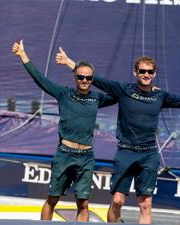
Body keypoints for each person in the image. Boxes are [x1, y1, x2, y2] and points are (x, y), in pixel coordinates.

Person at [56, 47, 180, 224]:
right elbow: (95, 79)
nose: (146, 74)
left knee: (145, 204)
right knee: (117, 201)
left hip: (148, 155)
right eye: (142, 71)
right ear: (135, 72)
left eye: (149, 72)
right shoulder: (123, 89)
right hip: (126, 152)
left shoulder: (160, 95)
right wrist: (69, 62)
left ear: (154, 73)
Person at [12, 40, 116, 222]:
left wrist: (70, 63)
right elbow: (40, 79)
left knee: (83, 204)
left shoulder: (97, 98)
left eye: (89, 78)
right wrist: (23, 55)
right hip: (65, 154)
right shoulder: (64, 94)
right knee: (52, 199)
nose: (84, 81)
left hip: (86, 157)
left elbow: (118, 93)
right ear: (74, 78)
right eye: (81, 77)